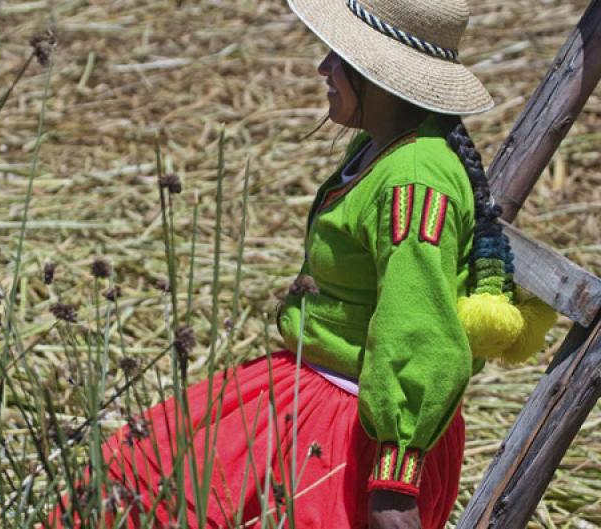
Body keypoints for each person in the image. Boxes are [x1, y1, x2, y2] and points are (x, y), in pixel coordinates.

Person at [47, 0, 554, 527]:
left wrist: (394, 485)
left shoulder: (415, 178)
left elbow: (419, 330)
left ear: (376, 74)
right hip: (312, 391)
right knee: (135, 476)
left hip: (357, 431)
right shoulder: (381, 148)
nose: (323, 70)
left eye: (338, 57)